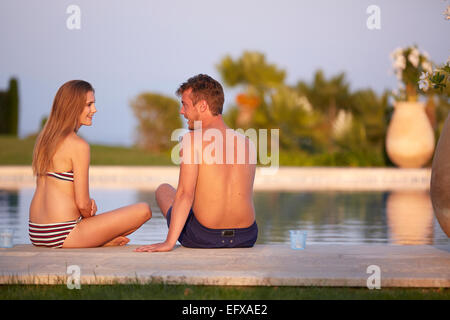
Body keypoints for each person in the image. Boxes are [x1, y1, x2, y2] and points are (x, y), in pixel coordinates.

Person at [135, 74, 258, 252]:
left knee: (164, 190)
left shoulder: (192, 140)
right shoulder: (247, 142)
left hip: (207, 237)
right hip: (247, 236)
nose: (181, 111)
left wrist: (169, 243)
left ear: (202, 106)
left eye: (185, 105)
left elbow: (185, 194)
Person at [29, 80, 151, 248]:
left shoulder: (44, 140)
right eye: (89, 104)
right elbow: (83, 204)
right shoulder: (78, 145)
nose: (94, 110)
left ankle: (99, 239)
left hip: (37, 233)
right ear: (72, 106)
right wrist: (90, 210)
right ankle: (99, 241)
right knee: (143, 210)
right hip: (63, 233)